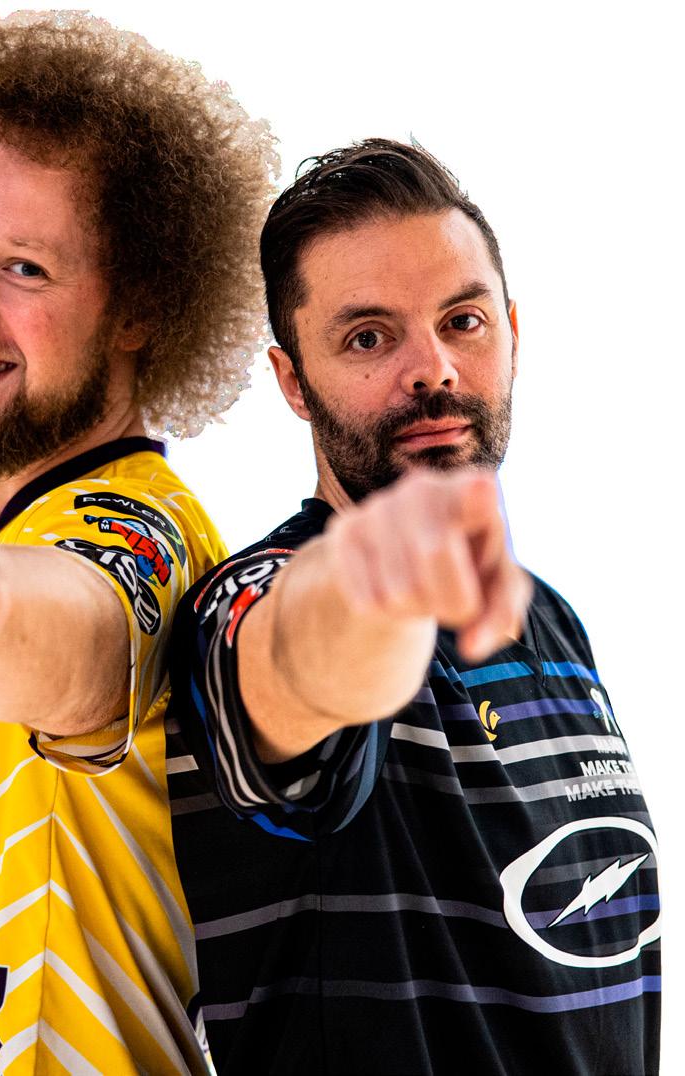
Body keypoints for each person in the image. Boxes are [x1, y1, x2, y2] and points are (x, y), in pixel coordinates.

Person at [0, 11, 275, 1074]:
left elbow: (82, 641)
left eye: (24, 267)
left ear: (138, 307)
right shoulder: (18, 534)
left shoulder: (141, 527)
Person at [167, 140, 661, 1075]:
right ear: (292, 382)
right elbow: (295, 667)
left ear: (512, 332)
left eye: (462, 321)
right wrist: (376, 588)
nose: (432, 369)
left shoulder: (552, 623)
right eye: (368, 337)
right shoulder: (250, 601)